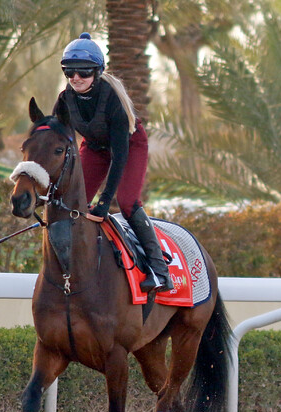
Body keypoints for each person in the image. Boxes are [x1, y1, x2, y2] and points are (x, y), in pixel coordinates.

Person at [55, 32, 172, 292]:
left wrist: (105, 202)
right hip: (95, 147)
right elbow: (55, 137)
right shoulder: (65, 98)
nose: (75, 78)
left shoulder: (113, 100)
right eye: (69, 72)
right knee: (72, 199)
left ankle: (160, 271)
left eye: (83, 72)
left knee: (128, 201)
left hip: (129, 146)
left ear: (97, 72)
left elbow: (119, 157)